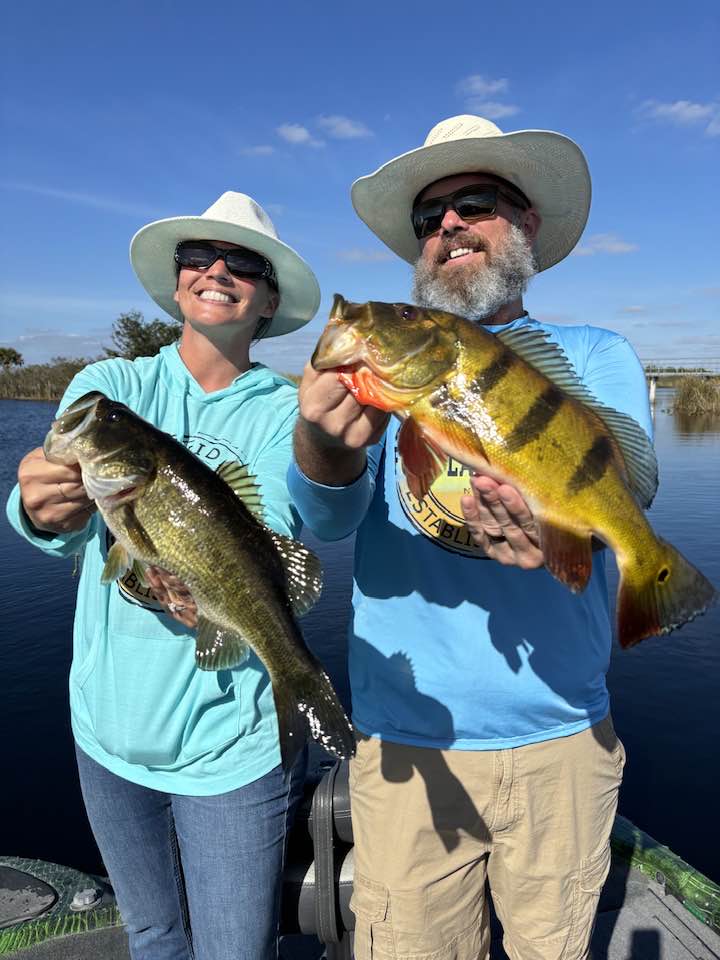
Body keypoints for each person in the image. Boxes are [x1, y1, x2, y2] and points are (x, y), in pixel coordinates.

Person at [289, 116, 654, 960]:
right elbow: (323, 519)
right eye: (428, 218)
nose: (446, 225)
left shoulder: (597, 356)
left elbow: (615, 501)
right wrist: (325, 442)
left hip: (563, 739)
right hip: (408, 745)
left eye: (475, 203)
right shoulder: (380, 375)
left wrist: (567, 534)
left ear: (526, 225)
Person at [7, 191, 321, 960]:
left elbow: (275, 536)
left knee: (233, 952)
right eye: (198, 257)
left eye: (242, 262)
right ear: (177, 281)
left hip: (231, 749)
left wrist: (198, 587)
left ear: (270, 297)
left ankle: (298, 691)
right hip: (106, 734)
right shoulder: (111, 388)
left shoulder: (288, 414)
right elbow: (61, 518)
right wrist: (34, 507)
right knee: (151, 936)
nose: (217, 271)